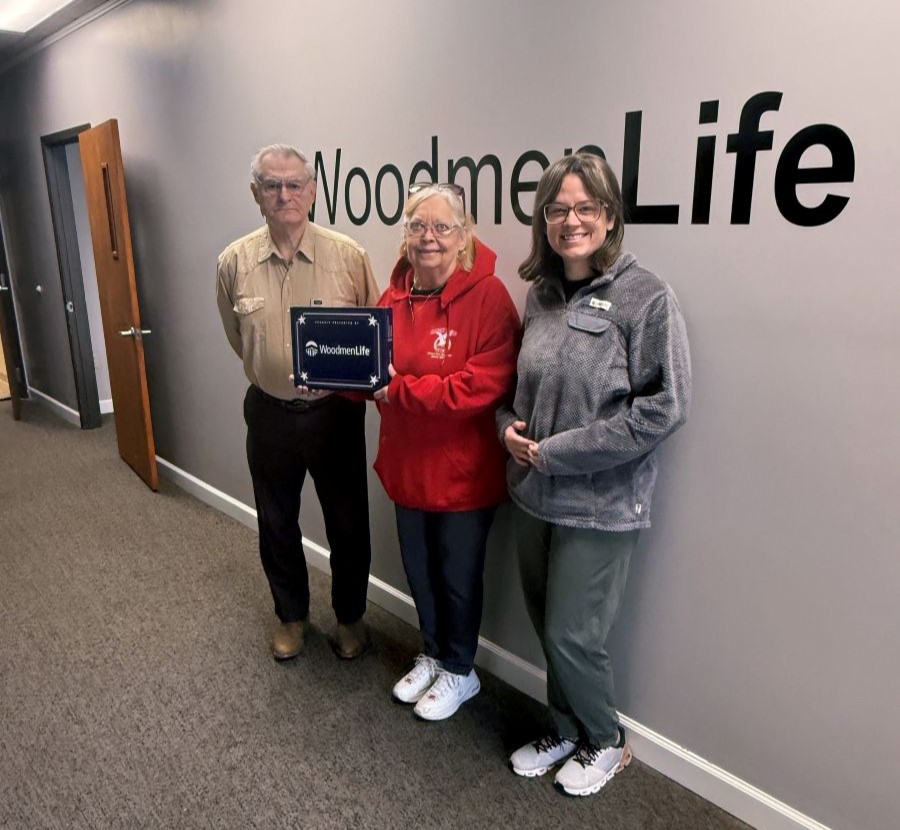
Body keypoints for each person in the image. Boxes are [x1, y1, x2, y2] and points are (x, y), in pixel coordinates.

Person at [498, 153, 691, 796]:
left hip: (601, 504)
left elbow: (665, 407)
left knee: (572, 634)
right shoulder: (540, 294)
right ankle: (563, 726)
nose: (570, 220)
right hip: (532, 495)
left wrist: (559, 451)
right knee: (545, 622)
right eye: (557, 209)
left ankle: (606, 740)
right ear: (543, 221)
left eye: (585, 207)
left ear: (609, 216)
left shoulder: (646, 295)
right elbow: (516, 390)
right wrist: (507, 429)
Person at [216, 143, 380, 662]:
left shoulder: (348, 257)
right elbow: (237, 336)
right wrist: (277, 371)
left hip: (335, 415)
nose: (284, 194)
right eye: (272, 185)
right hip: (268, 413)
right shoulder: (233, 263)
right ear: (256, 194)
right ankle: (291, 616)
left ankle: (350, 618)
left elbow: (375, 337)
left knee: (348, 523)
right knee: (276, 521)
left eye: (294, 184)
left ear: (312, 191)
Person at [372, 183, 520, 721]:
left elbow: (480, 387)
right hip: (407, 468)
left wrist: (401, 391)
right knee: (420, 571)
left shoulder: (490, 299)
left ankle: (461, 670)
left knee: (457, 578)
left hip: (463, 477)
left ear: (464, 237)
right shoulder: (391, 298)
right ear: (405, 234)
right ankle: (433, 653)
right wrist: (327, 379)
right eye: (417, 226)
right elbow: (370, 372)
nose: (428, 237)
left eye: (442, 228)